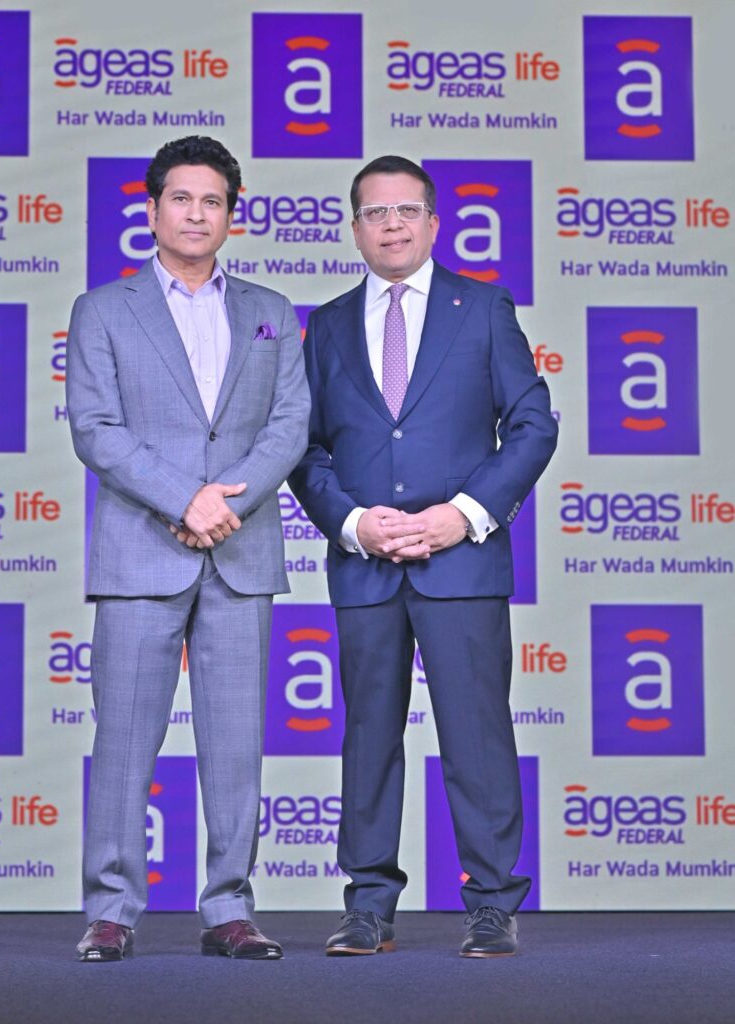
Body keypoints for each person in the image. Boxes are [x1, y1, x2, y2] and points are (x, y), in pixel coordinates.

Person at [288, 155, 558, 958]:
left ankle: (492, 904)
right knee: (368, 738)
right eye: (374, 212)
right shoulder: (326, 325)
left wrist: (462, 516)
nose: (392, 225)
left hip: (461, 563)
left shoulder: (483, 308)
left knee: (477, 736)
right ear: (354, 229)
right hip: (365, 567)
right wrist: (352, 524)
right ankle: (367, 905)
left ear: (434, 223)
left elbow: (532, 425)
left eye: (406, 210)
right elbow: (305, 448)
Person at [66, 136, 309, 962]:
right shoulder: (104, 309)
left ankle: (229, 909)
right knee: (122, 743)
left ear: (232, 215)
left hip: (239, 553)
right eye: (181, 198)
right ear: (151, 209)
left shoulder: (270, 310)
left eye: (212, 201)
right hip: (141, 550)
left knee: (235, 745)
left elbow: (290, 424)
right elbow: (96, 429)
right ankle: (111, 910)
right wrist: (184, 499)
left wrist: (221, 505)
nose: (196, 214)